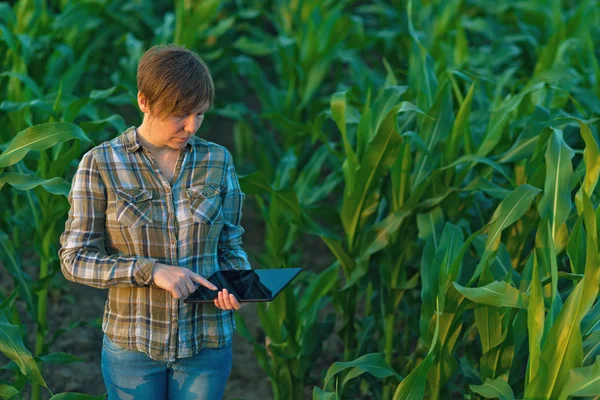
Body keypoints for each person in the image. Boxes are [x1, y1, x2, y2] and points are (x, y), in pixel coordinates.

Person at [59, 44, 251, 400]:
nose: (192, 126)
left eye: (201, 114)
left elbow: (229, 242)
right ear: (144, 101)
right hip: (133, 345)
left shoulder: (217, 160)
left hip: (206, 341)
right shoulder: (101, 164)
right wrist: (151, 271)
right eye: (180, 114)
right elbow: (75, 260)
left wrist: (236, 282)